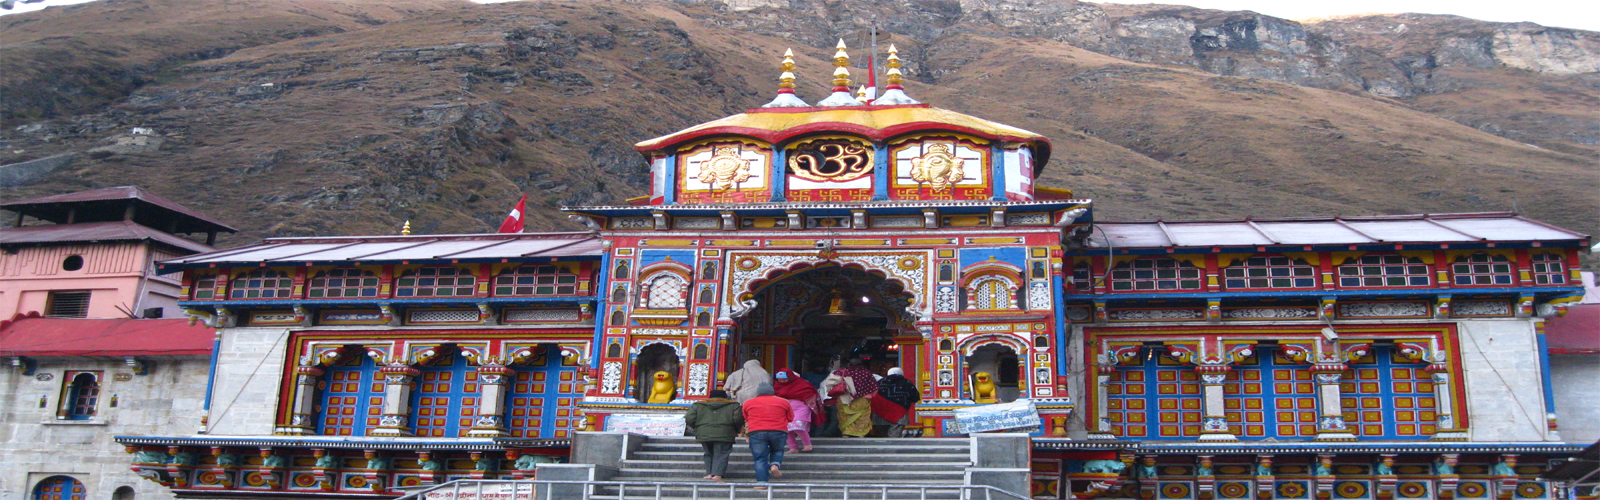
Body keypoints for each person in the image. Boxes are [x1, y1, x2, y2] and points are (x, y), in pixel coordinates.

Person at [683, 389, 742, 482]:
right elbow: (738, 419)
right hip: (725, 432)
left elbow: (689, 418)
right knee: (722, 453)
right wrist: (736, 430)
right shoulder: (733, 406)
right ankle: (717, 475)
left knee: (708, 453)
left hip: (704, 432)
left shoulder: (698, 405)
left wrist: (698, 427)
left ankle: (710, 473)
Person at [742, 383, 793, 490]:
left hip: (756, 431)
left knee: (760, 458)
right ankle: (775, 465)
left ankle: (762, 482)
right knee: (777, 450)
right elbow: (790, 418)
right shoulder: (784, 402)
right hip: (779, 430)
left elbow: (746, 417)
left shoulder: (748, 403)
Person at [773, 369, 821, 452]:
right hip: (786, 409)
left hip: (801, 408)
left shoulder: (802, 384)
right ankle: (793, 448)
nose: (782, 382)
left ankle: (807, 445)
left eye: (784, 379)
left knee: (798, 426)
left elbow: (810, 393)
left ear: (790, 377)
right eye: (780, 380)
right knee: (786, 429)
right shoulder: (777, 386)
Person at [830, 358, 879, 438]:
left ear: (849, 364)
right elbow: (874, 387)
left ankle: (846, 432)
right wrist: (870, 396)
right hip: (862, 399)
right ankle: (860, 433)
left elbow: (830, 384)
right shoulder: (866, 373)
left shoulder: (841, 372)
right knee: (861, 416)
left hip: (844, 398)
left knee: (845, 415)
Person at [875, 367, 920, 437]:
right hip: (900, 412)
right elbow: (915, 397)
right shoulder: (906, 382)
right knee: (895, 433)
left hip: (880, 412)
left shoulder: (880, 382)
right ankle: (892, 442)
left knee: (884, 433)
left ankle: (886, 441)